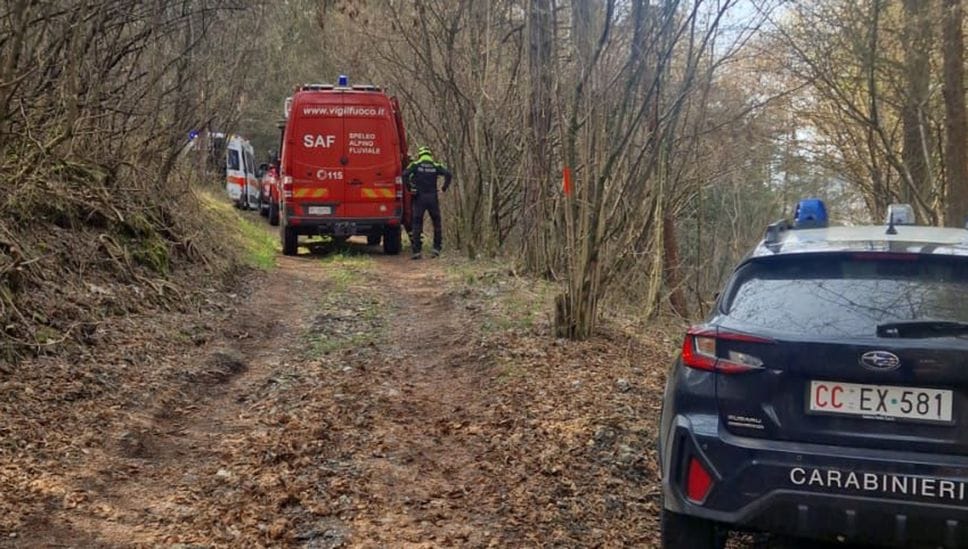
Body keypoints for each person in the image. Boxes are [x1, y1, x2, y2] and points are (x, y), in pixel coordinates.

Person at [404, 146, 452, 259]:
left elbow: (405, 174)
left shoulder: (415, 165)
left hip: (419, 198)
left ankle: (417, 251)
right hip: (432, 199)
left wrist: (410, 188)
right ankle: (436, 249)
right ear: (430, 155)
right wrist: (444, 188)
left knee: (417, 224)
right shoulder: (435, 166)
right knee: (436, 223)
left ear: (420, 155)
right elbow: (448, 174)